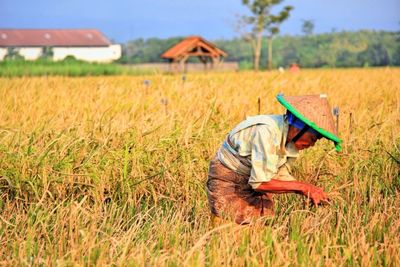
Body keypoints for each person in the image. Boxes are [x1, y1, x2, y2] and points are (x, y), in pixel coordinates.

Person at [206, 94, 342, 224]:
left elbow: (280, 175)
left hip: (253, 176)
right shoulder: (267, 132)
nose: (311, 145)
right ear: (298, 128)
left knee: (263, 221)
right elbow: (260, 183)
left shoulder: (290, 142)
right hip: (229, 176)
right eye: (312, 139)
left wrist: (310, 192)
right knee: (230, 223)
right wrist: (303, 188)